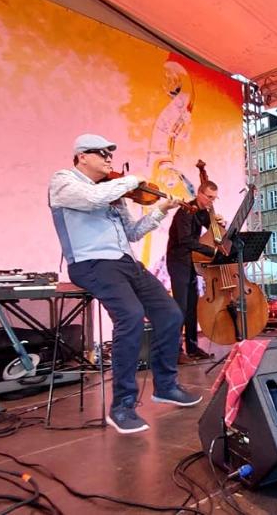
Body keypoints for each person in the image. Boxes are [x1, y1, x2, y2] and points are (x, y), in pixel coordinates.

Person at [49, 133, 198, 434]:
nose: (108, 159)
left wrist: (160, 210)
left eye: (110, 154)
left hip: (126, 263)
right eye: (101, 153)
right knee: (130, 316)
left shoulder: (113, 193)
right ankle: (122, 406)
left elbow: (132, 233)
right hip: (91, 263)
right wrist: (130, 181)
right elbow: (91, 199)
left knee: (170, 314)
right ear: (82, 157)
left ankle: (165, 385)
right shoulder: (64, 181)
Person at [166, 180, 220, 362]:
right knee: (180, 307)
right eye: (209, 197)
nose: (211, 201)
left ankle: (192, 347)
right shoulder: (185, 211)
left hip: (191, 263)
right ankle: (175, 351)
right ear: (199, 193)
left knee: (191, 307)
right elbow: (186, 241)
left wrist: (217, 223)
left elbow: (213, 231)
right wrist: (211, 252)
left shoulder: (203, 212)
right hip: (178, 261)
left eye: (214, 198)